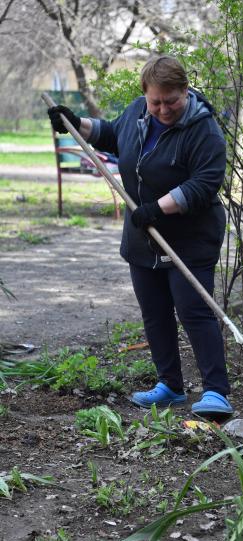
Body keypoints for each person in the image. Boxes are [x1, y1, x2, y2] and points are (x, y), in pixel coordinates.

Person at [48, 55, 233, 419]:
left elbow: (203, 184)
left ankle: (216, 391)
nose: (163, 109)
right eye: (156, 101)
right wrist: (75, 122)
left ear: (186, 91)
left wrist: (157, 208)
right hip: (142, 237)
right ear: (145, 96)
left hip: (189, 238)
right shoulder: (137, 111)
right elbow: (112, 135)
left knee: (193, 310)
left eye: (171, 100)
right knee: (154, 312)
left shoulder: (205, 131)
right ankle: (170, 386)